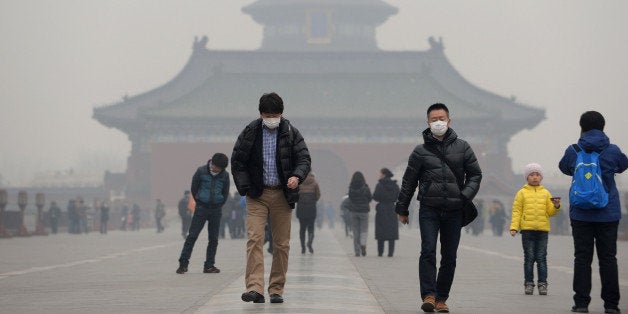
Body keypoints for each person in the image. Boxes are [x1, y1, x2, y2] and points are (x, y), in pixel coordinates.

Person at [395, 103, 482, 313]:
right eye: (434, 119)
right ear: (428, 123)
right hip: (429, 209)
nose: (438, 122)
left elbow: (475, 175)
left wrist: (464, 196)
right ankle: (429, 295)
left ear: (449, 121)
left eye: (441, 118)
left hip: (454, 210)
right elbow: (409, 181)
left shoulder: (463, 147)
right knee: (427, 251)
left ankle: (442, 298)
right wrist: (402, 209)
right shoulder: (420, 151)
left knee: (449, 255)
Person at [231, 92, 311, 304]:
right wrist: (245, 186)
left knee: (281, 244)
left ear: (281, 113)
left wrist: (297, 176)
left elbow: (304, 158)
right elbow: (237, 161)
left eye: (275, 115)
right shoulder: (250, 133)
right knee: (254, 239)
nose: (271, 119)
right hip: (257, 195)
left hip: (282, 195)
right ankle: (255, 288)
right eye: (267, 115)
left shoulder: (291, 132)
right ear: (260, 114)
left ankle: (276, 288)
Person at [558, 111, 627, 314]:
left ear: (582, 127)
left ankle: (581, 303)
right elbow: (623, 165)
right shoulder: (612, 150)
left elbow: (564, 168)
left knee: (582, 258)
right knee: (608, 258)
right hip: (608, 213)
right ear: (603, 127)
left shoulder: (573, 150)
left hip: (581, 213)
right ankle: (611, 305)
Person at [509, 163, 561, 296]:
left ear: (541, 177)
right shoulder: (521, 193)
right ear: (527, 177)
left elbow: (550, 212)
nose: (535, 177)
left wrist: (556, 206)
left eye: (537, 175)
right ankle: (529, 284)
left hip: (543, 230)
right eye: (531, 175)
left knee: (542, 258)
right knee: (529, 258)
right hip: (527, 230)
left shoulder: (546, 193)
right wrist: (514, 227)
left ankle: (543, 284)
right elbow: (517, 211)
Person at [176, 153, 230, 274]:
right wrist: (199, 201)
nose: (219, 170)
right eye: (218, 167)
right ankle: (183, 264)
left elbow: (225, 192)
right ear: (213, 164)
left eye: (222, 169)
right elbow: (194, 188)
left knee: (214, 239)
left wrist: (219, 202)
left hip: (216, 210)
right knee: (192, 236)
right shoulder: (201, 171)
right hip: (202, 208)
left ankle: (209, 266)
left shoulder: (225, 175)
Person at [373, 168, 400, 257]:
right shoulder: (395, 185)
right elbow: (399, 196)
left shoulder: (379, 185)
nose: (379, 175)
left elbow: (375, 197)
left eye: (380, 173)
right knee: (391, 230)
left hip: (381, 208)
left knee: (381, 230)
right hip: (392, 208)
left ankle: (380, 252)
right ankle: (390, 252)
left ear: (384, 174)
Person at [348, 171, 372, 257]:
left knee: (355, 231)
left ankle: (357, 251)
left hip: (354, 211)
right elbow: (370, 198)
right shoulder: (366, 187)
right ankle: (363, 244)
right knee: (364, 230)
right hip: (364, 211)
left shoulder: (351, 188)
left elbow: (350, 198)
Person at [296, 173, 321, 254]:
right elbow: (318, 195)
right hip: (311, 208)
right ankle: (309, 242)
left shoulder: (299, 182)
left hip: (301, 208)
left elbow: (295, 194)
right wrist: (313, 201)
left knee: (302, 229)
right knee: (311, 227)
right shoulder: (315, 183)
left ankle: (303, 247)